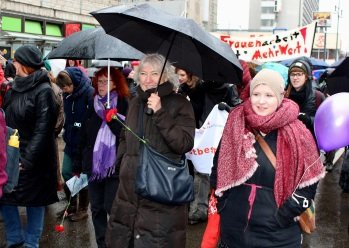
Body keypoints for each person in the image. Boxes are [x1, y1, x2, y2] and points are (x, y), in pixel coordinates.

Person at [210, 68, 325, 247]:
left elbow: (310, 180)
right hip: (234, 231)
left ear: (280, 96)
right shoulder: (235, 122)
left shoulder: (299, 131)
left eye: (269, 95)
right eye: (256, 94)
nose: (261, 101)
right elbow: (218, 166)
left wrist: (283, 215)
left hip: (278, 234)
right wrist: (224, 204)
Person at [106, 54, 195, 247]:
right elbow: (124, 136)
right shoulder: (135, 102)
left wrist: (160, 112)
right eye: (143, 73)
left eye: (154, 74)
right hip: (128, 193)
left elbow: (184, 143)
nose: (147, 79)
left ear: (165, 77)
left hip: (161, 193)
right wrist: (123, 163)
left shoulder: (181, 104)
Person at [0, 45, 58, 247]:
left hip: (35, 159)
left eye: (15, 60)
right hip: (12, 153)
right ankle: (15, 239)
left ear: (24, 65)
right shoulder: (13, 88)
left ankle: (31, 243)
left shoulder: (44, 91)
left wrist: (27, 159)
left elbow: (43, 130)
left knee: (35, 201)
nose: (12, 63)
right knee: (5, 198)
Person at [175, 67, 241, 225]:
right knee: (198, 170)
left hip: (219, 136)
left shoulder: (228, 88)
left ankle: (205, 208)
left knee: (206, 173)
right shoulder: (196, 88)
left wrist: (228, 109)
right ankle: (197, 207)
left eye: (182, 75)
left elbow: (239, 111)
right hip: (198, 134)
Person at [73, 67, 129, 248]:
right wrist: (77, 163)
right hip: (93, 165)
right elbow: (83, 134)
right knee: (96, 208)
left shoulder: (123, 102)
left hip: (114, 165)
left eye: (107, 81)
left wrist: (112, 118)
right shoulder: (93, 101)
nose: (102, 84)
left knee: (111, 207)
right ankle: (102, 244)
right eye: (99, 80)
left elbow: (126, 135)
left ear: (116, 84)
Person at [56, 67, 94, 222]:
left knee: (82, 176)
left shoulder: (89, 93)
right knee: (66, 172)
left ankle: (83, 209)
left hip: (84, 143)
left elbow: (91, 118)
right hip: (71, 141)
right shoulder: (67, 95)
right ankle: (72, 205)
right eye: (63, 88)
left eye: (66, 87)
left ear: (74, 82)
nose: (65, 90)